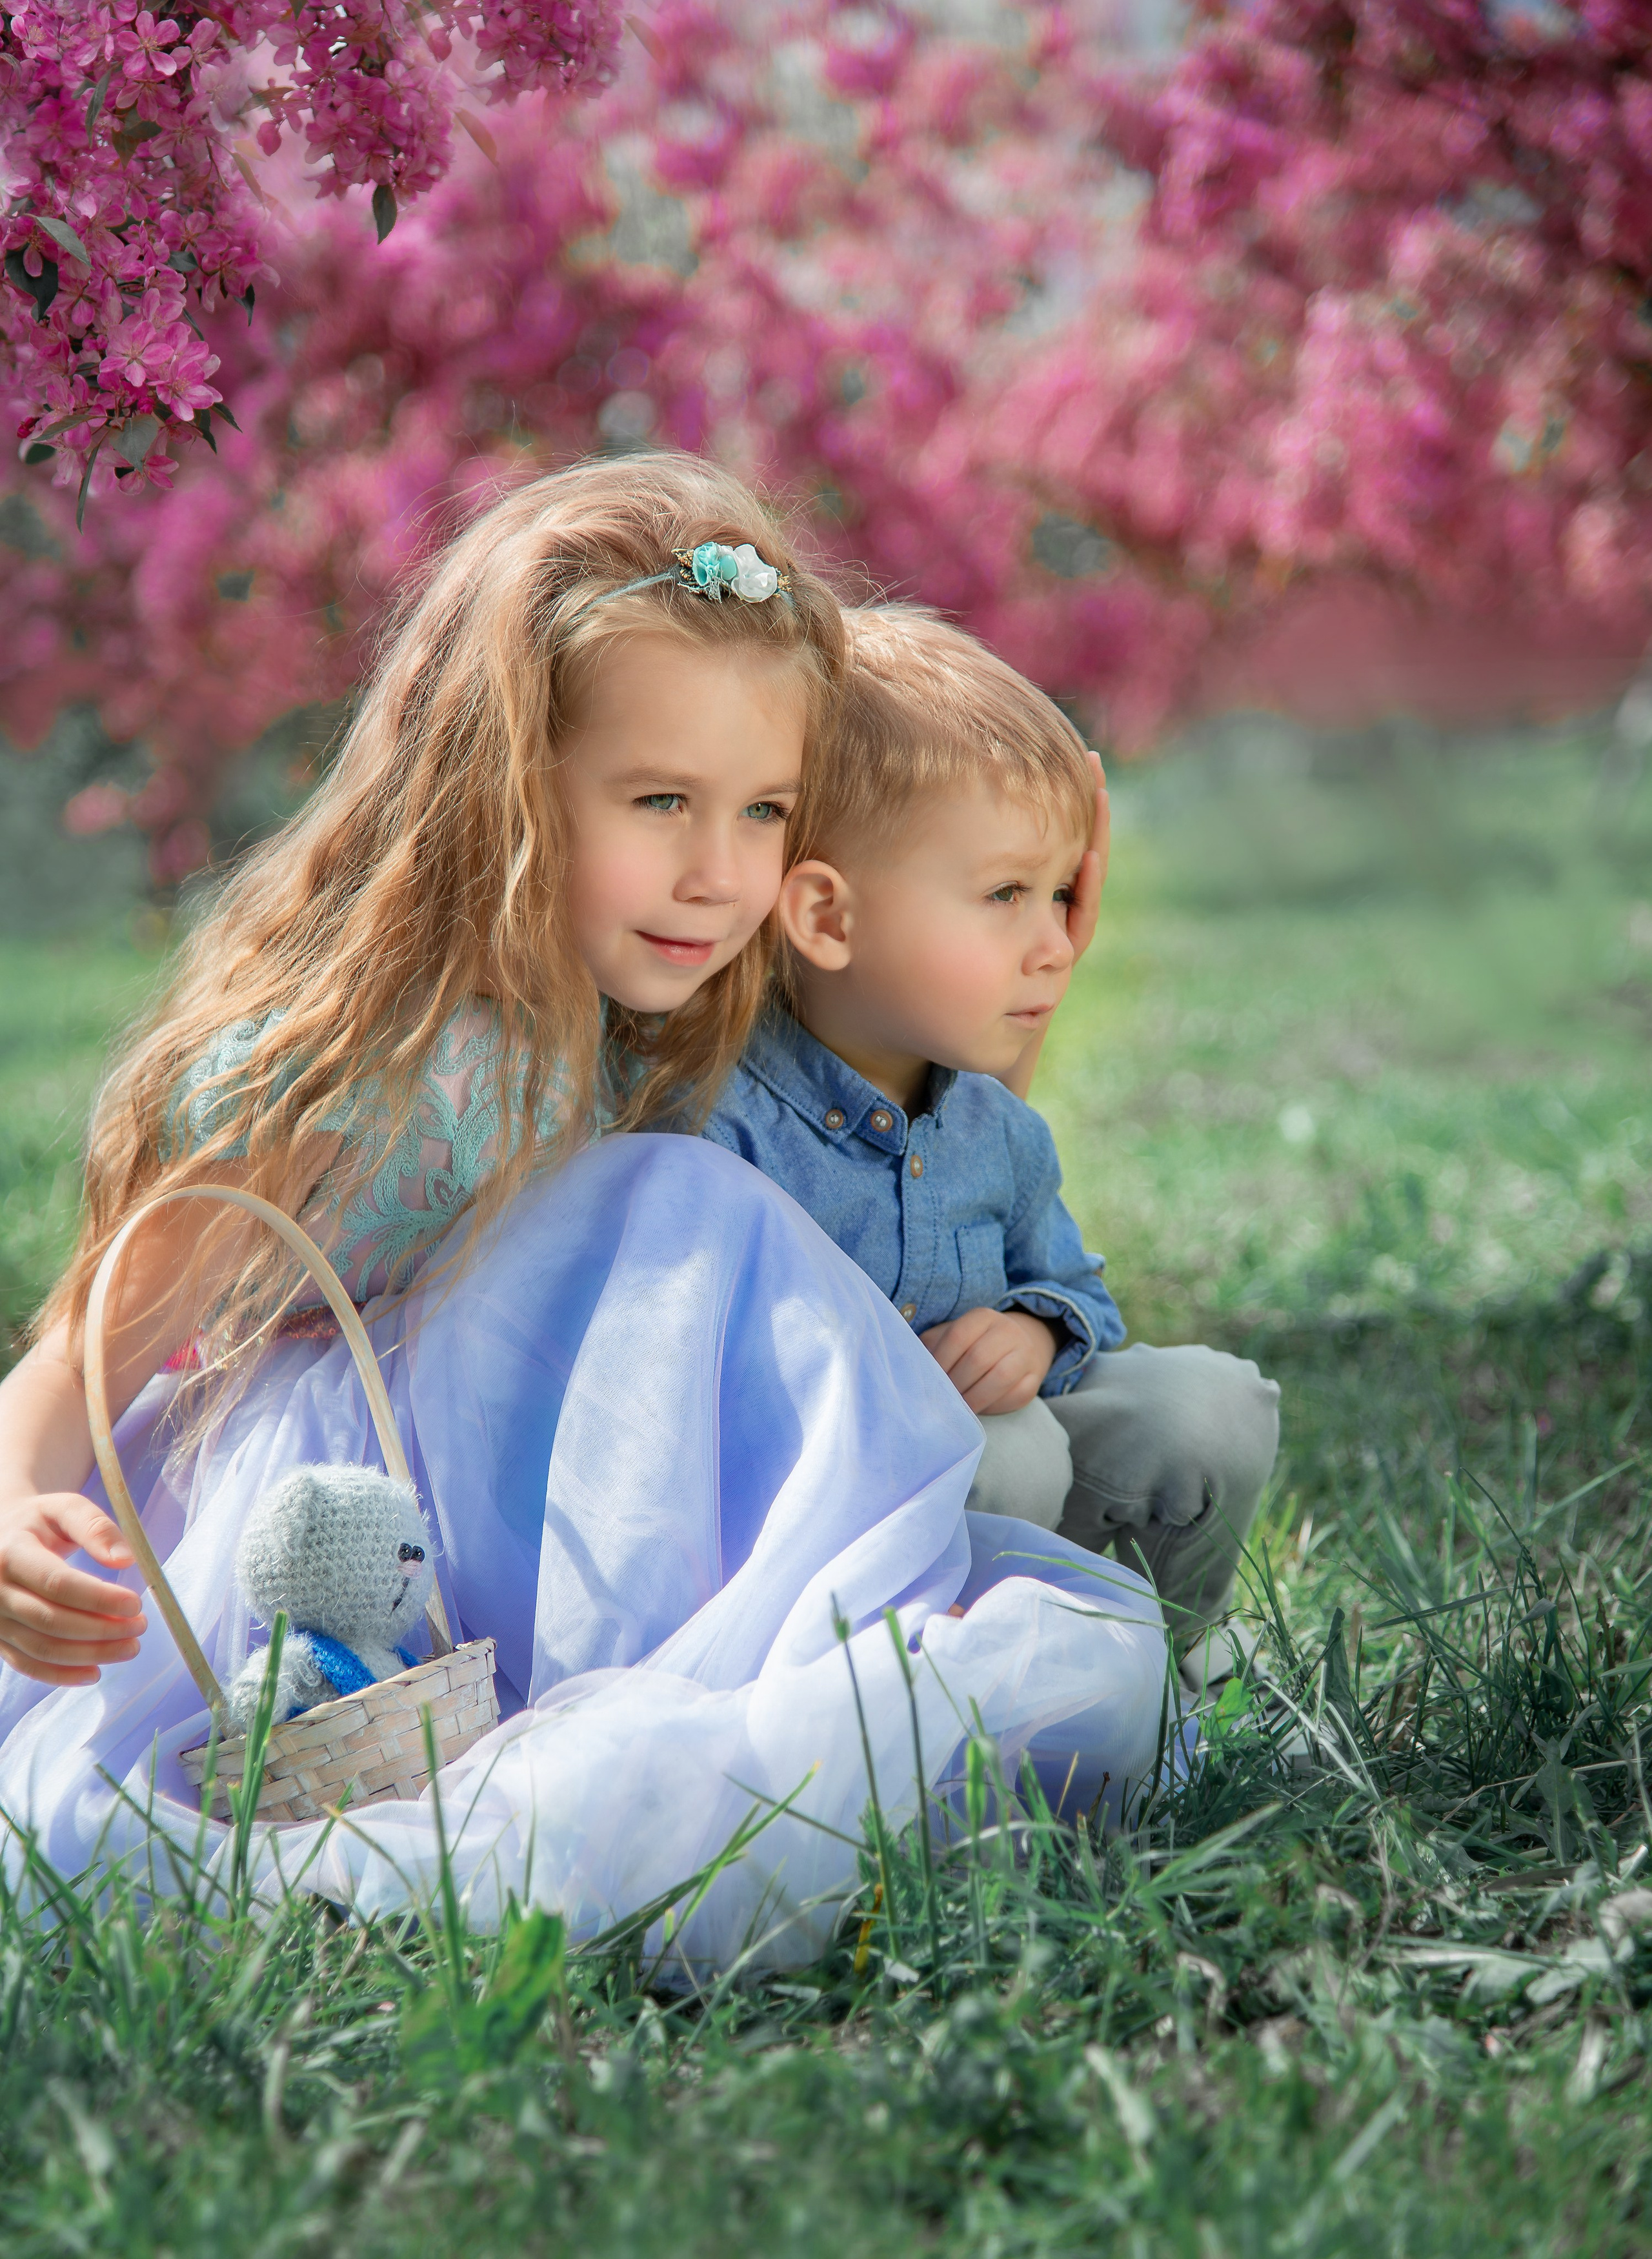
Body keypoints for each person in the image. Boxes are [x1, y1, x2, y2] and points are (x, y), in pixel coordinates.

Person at [0, 459, 1171, 1970]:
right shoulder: (347, 1069)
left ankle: (762, 1646)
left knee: (674, 1201)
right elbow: (90, 1339)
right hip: (333, 1521)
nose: (717, 872)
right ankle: (651, 1705)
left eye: (761, 812)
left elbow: (941, 1003)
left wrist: (1055, 866)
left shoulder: (675, 1009)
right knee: (665, 1197)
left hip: (529, 1498)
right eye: (659, 802)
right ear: (505, 782)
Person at [700, 606, 1280, 1693]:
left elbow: (1079, 1297)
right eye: (1008, 893)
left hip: (1017, 1468)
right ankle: (966, 1719)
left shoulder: (995, 1128)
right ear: (828, 917)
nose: (1058, 943)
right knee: (1007, 1453)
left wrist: (1034, 1325)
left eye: (1061, 892)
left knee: (1210, 1404)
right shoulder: (726, 1129)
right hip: (838, 1540)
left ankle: (1171, 1663)